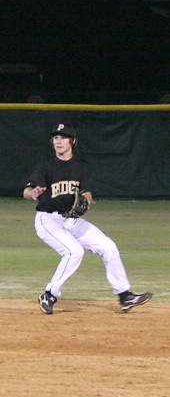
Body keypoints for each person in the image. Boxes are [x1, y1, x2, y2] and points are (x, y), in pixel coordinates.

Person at [23, 123, 152, 314]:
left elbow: (87, 193)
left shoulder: (81, 166)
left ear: (73, 141)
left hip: (72, 220)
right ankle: (49, 294)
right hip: (48, 220)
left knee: (108, 247)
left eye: (63, 137)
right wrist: (33, 193)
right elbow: (26, 191)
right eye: (56, 138)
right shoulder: (45, 165)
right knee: (74, 252)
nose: (59, 141)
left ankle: (124, 296)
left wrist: (85, 201)